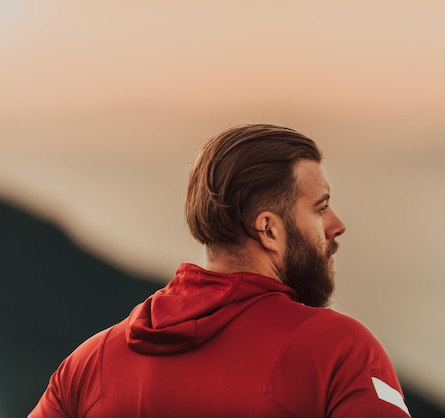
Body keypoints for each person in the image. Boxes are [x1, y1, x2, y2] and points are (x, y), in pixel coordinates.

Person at [30, 124, 411, 417]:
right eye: (320, 207)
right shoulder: (337, 350)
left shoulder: (87, 366)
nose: (336, 224)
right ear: (269, 229)